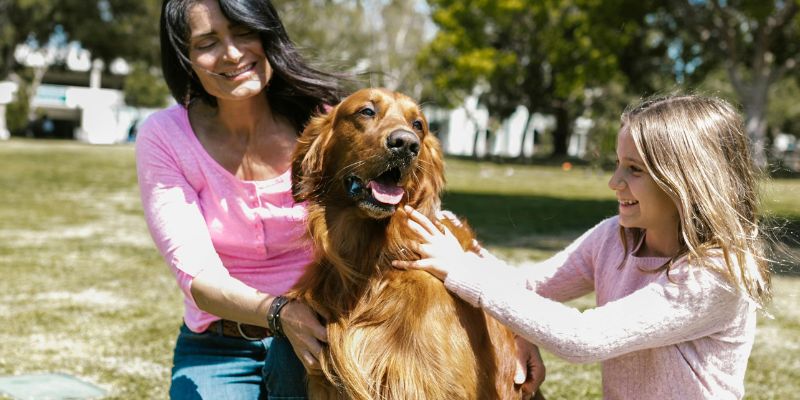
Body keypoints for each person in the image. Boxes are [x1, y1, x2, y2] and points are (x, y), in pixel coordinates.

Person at [395, 95, 772, 399]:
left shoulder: (717, 276)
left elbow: (584, 338)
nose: (614, 181)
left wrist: (463, 271)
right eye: (618, 164)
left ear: (686, 182)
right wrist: (460, 238)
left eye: (634, 170)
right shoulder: (616, 237)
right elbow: (527, 288)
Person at [136, 0, 343, 398]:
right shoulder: (164, 136)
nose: (232, 53)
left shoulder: (324, 122)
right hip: (217, 345)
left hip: (323, 332)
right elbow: (198, 277)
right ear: (186, 57)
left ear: (267, 33)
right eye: (207, 42)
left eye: (244, 31)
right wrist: (282, 314)